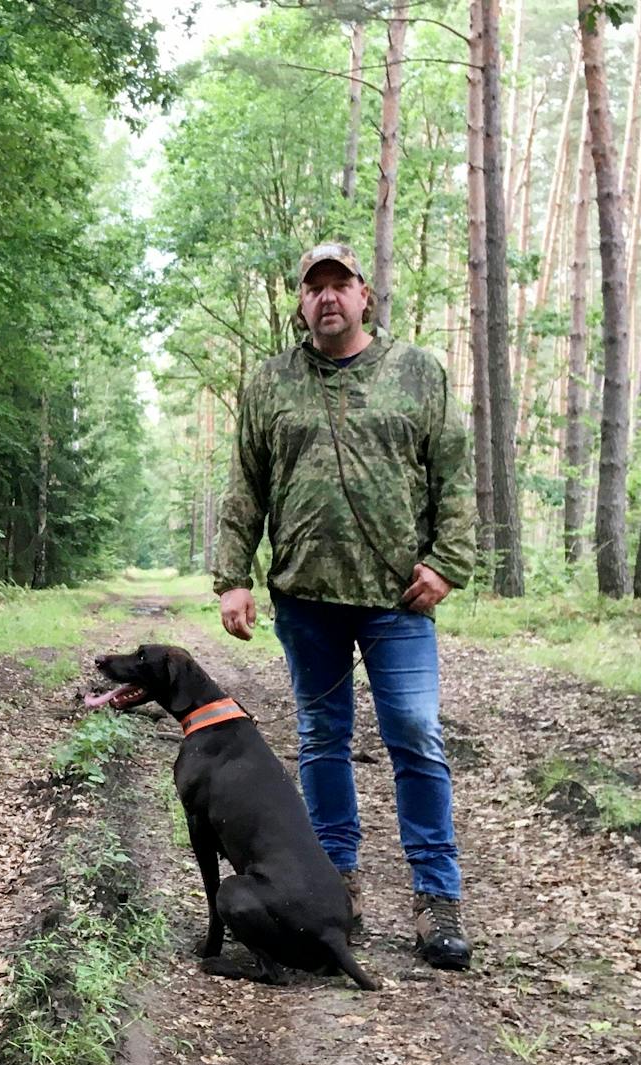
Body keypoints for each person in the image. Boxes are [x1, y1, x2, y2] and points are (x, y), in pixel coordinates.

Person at [212, 241, 478, 971]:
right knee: (322, 739)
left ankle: (438, 898)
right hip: (306, 596)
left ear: (364, 296)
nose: (328, 297)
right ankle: (336, 885)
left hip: (399, 599)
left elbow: (453, 475)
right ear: (300, 304)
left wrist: (449, 563)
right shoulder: (271, 383)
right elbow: (245, 486)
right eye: (314, 288)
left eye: (341, 285)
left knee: (416, 734)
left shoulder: (417, 372)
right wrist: (232, 577)